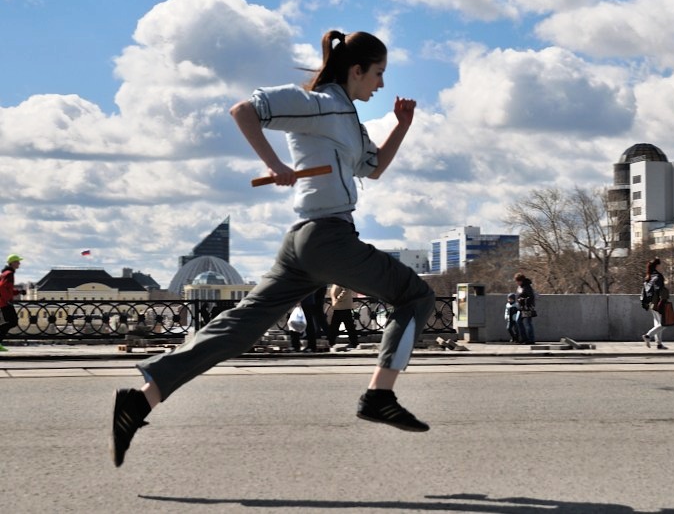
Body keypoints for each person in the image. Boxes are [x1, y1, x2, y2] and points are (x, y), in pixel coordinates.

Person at [110, 30, 436, 468]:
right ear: (355, 70)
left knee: (241, 328)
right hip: (328, 237)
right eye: (377, 74)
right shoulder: (318, 103)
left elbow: (373, 169)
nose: (380, 84)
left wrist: (401, 127)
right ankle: (380, 394)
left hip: (303, 244)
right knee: (415, 295)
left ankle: (141, 401)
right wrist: (274, 164)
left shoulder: (349, 122)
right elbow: (244, 110)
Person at [640, 257, 669, 350]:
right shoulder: (658, 276)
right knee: (664, 323)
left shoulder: (648, 276)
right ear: (657, 266)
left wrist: (645, 303)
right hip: (657, 302)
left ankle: (659, 344)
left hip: (650, 303)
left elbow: (644, 291)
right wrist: (663, 300)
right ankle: (648, 335)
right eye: (661, 265)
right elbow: (660, 290)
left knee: (657, 323)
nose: (662, 267)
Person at [0, 254, 24, 351]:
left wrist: (18, 291)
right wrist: (7, 300)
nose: (19, 263)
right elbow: (1, 287)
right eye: (17, 261)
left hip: (3, 302)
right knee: (13, 322)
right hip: (5, 303)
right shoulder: (9, 273)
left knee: (10, 322)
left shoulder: (5, 273)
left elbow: (7, 289)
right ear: (12, 263)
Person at [327, 283, 359, 350]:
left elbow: (346, 291)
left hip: (343, 306)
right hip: (338, 307)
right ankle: (331, 341)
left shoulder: (342, 281)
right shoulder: (336, 282)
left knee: (348, 325)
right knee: (335, 325)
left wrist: (338, 298)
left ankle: (354, 342)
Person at [300, 286, 328, 352]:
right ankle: (311, 345)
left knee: (309, 324)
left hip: (307, 302)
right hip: (309, 301)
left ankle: (311, 345)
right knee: (310, 323)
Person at [514, 272, 537, 345]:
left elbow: (531, 297)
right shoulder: (520, 287)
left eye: (518, 281)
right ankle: (523, 338)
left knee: (528, 323)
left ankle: (530, 339)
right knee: (518, 321)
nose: (517, 283)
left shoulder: (527, 287)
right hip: (521, 307)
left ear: (521, 280)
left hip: (527, 308)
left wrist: (523, 300)